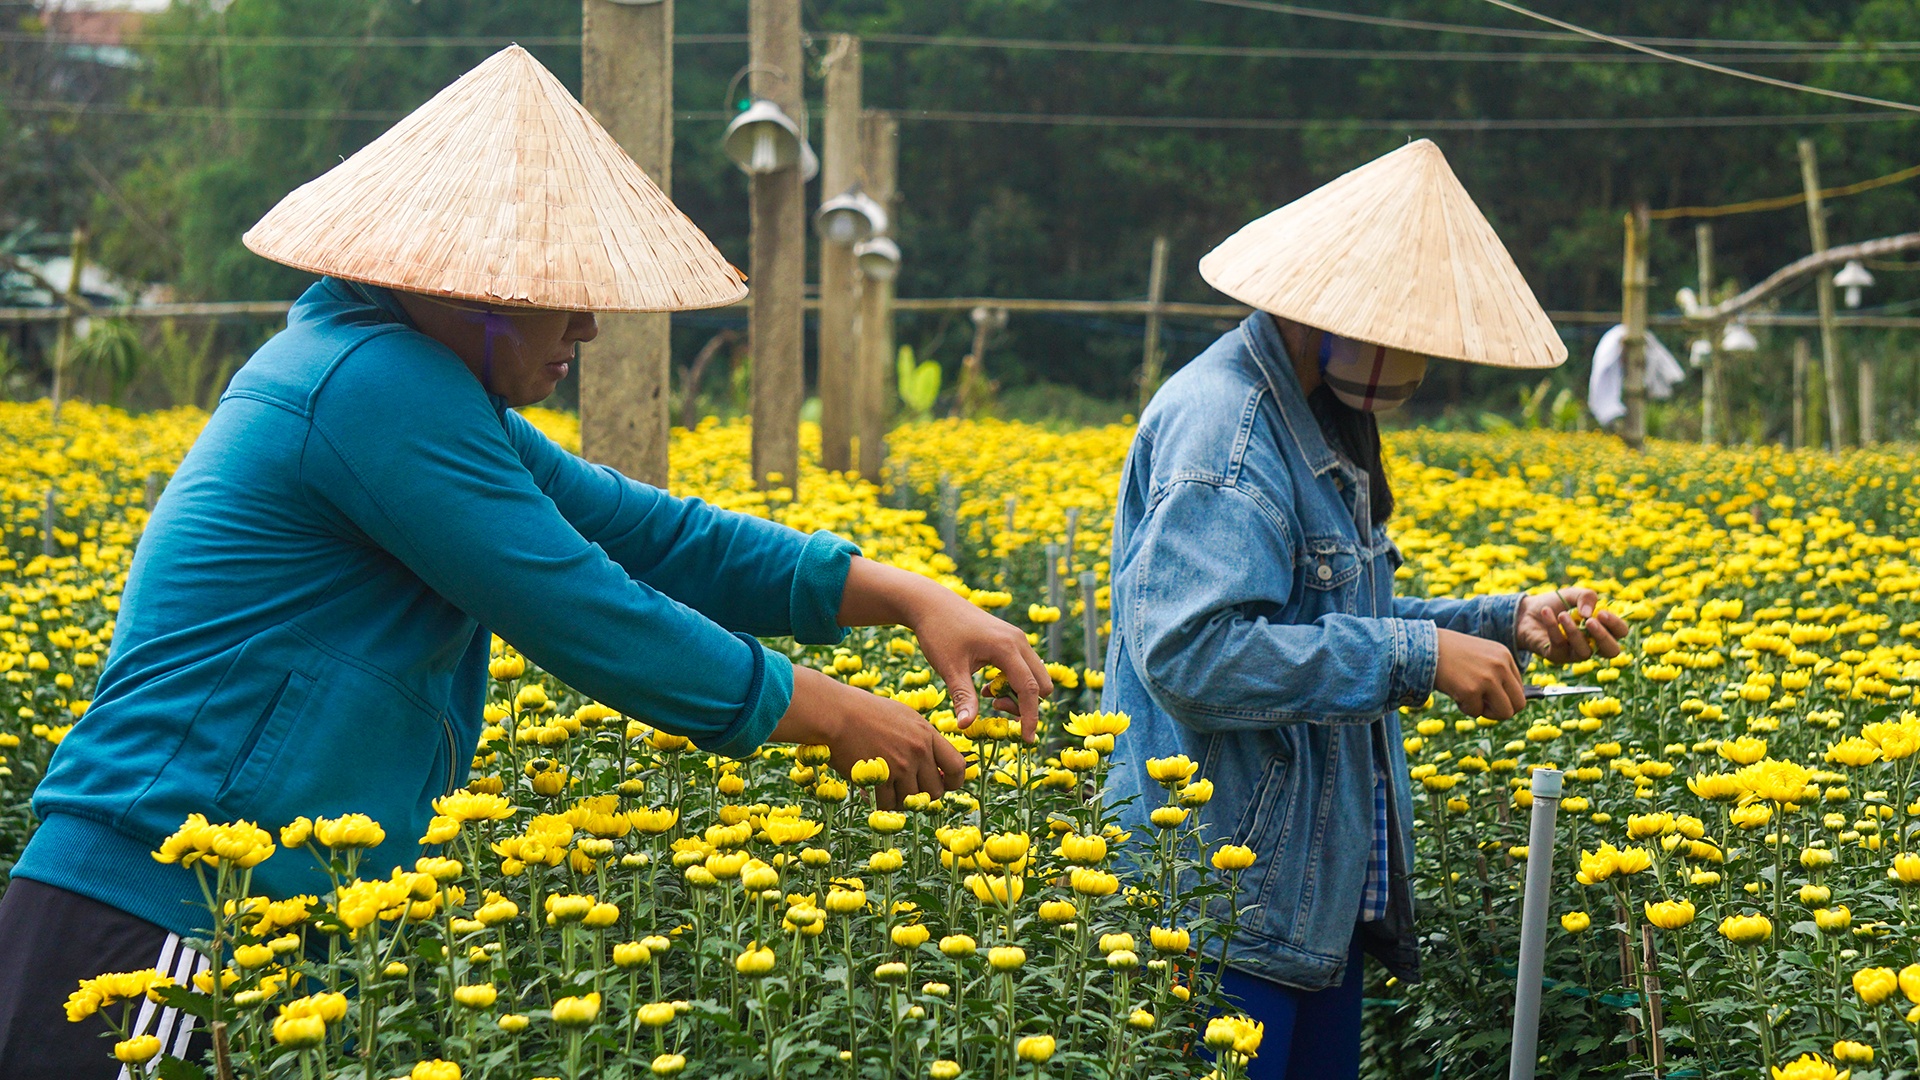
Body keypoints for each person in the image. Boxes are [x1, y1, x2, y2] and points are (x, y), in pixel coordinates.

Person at [0, 47, 1048, 1078]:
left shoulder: (418, 389)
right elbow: (584, 607)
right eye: (560, 291)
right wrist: (837, 715)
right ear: (471, 287)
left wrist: (910, 596)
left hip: (241, 915)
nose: (587, 324)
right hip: (154, 915)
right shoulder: (371, 386)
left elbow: (655, 537)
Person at [1102, 139, 1629, 1080]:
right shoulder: (1227, 435)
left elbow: (1326, 605)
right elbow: (1192, 656)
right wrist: (1418, 656)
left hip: (1301, 901)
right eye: (1406, 329)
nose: (1417, 357)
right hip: (1218, 913)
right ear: (1328, 311)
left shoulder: (1314, 413)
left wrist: (1500, 622)